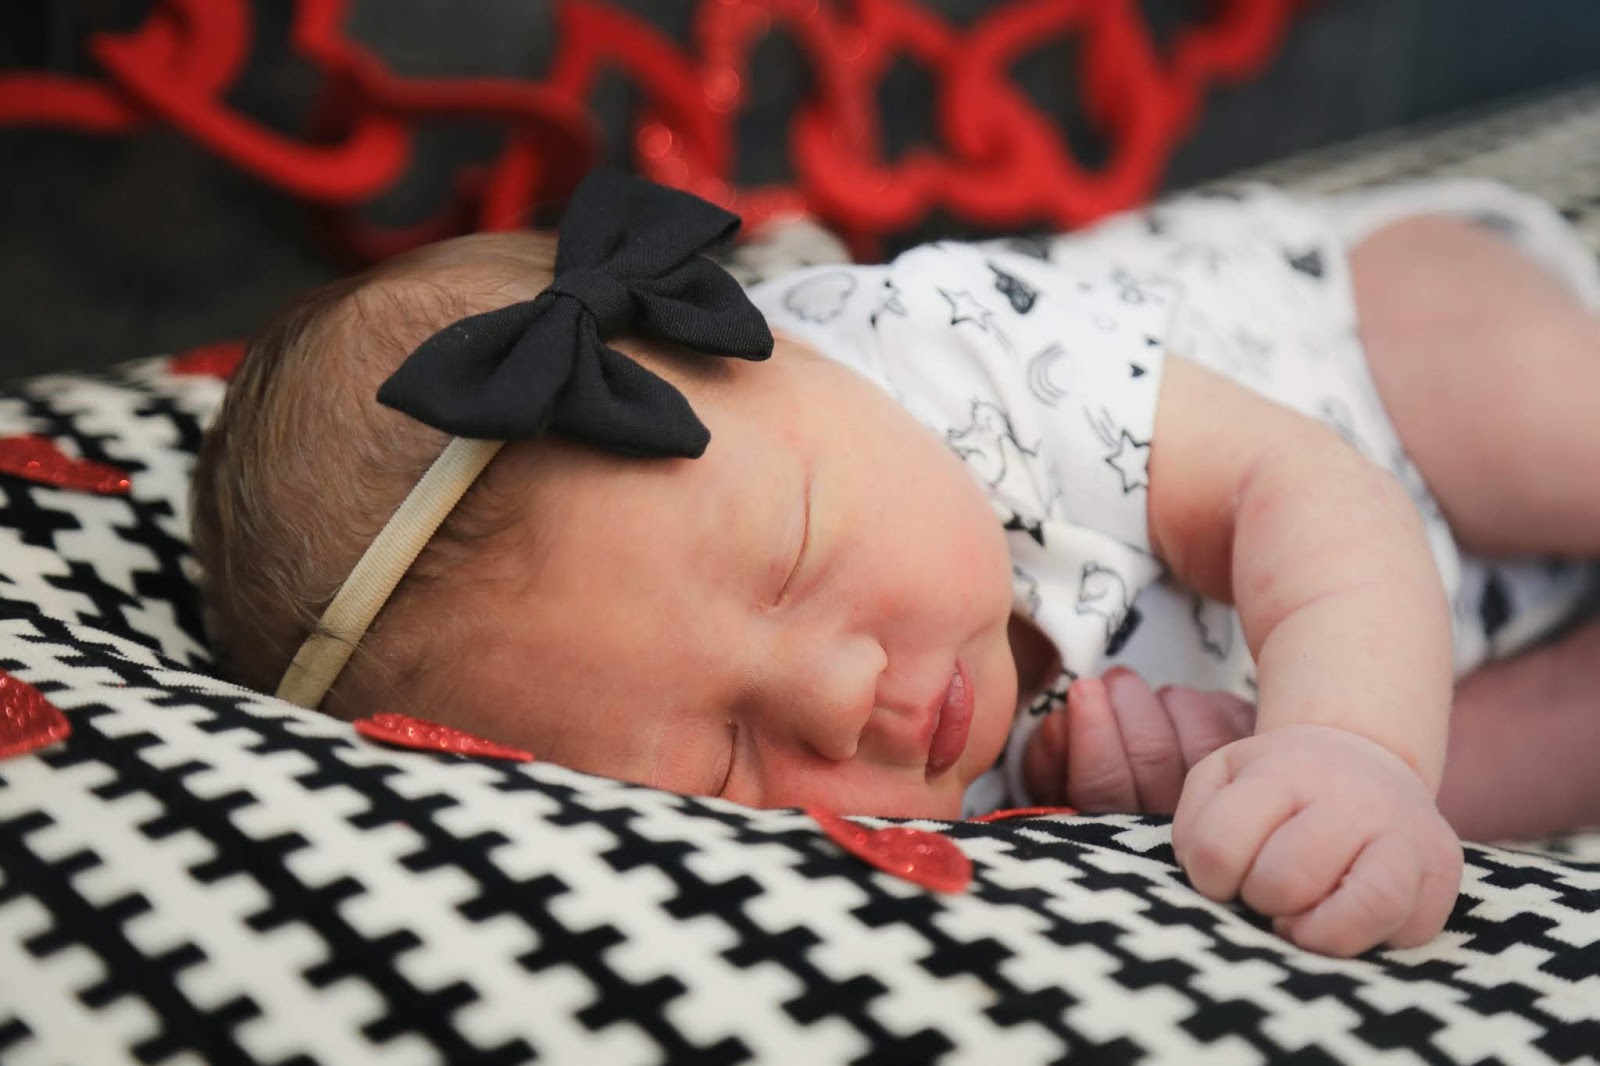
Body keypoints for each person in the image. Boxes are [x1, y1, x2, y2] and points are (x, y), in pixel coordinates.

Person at [191, 171, 1600, 959]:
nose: (838, 699)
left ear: (785, 351)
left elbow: (1305, 491)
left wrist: (1348, 741)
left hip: (1376, 350)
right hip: (1430, 651)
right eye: (725, 764)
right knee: (1382, 832)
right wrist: (1235, 778)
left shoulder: (954, 347)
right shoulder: (890, 856)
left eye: (793, 554)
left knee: (1532, 431)